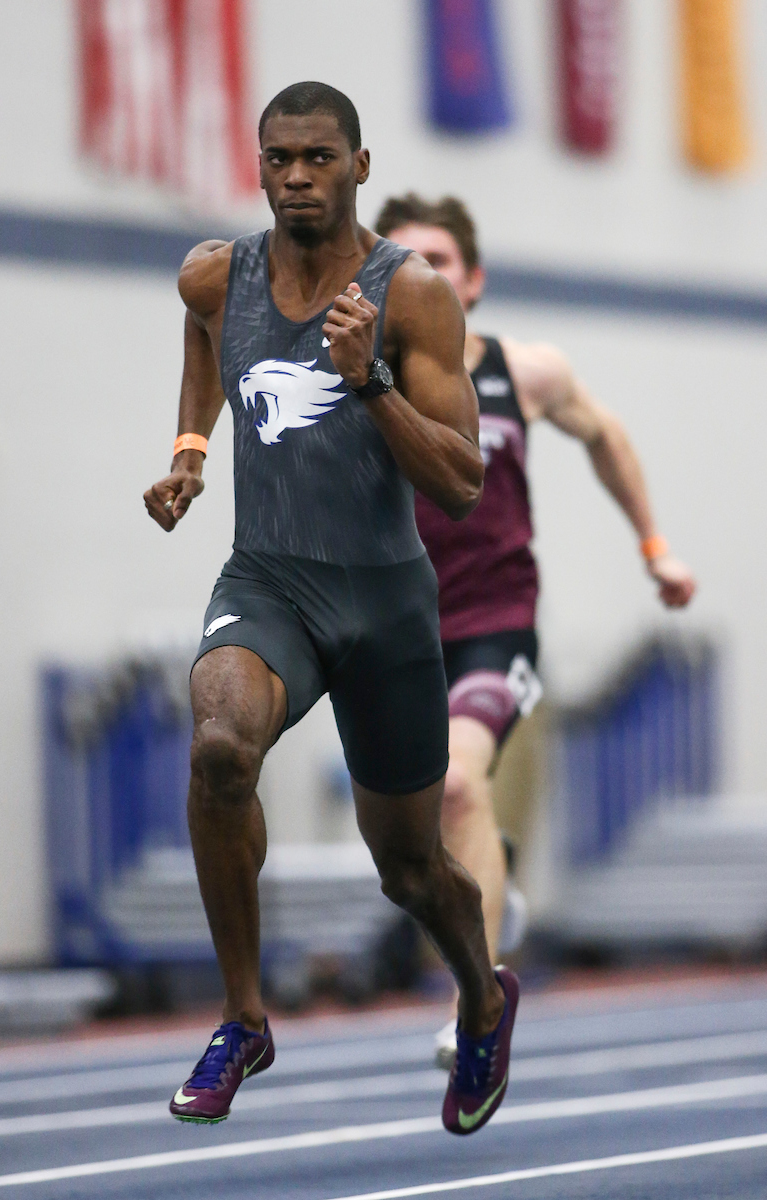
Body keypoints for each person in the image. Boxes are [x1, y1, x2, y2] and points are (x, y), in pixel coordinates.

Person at [144, 84, 517, 1137]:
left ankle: (482, 997)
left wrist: (371, 385)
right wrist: (187, 454)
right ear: (257, 168)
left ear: (359, 165)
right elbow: (203, 344)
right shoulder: (217, 275)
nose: (296, 176)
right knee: (219, 747)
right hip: (267, 581)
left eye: (317, 158)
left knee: (409, 869)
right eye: (278, 159)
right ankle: (242, 1018)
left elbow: (458, 484)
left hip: (386, 605)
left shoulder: (412, 299)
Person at [376, 193, 697, 1067]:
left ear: (473, 280)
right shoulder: (351, 376)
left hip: (493, 624)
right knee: (406, 852)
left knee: (456, 790)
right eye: (402, 260)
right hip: (390, 638)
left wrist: (654, 546)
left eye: (438, 259)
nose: (423, 275)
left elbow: (605, 432)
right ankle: (491, 884)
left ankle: (470, 1005)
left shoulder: (526, 372)